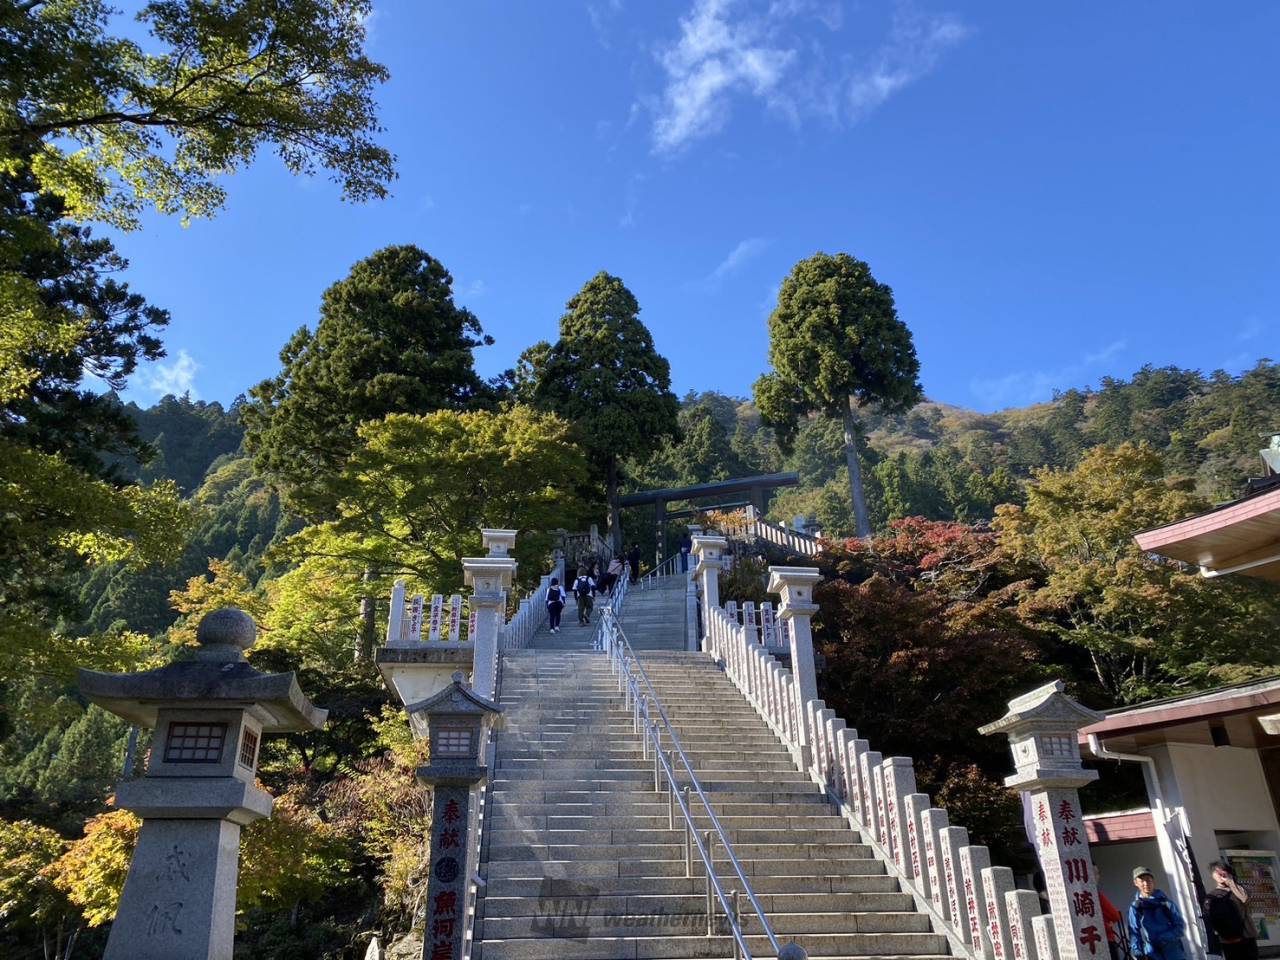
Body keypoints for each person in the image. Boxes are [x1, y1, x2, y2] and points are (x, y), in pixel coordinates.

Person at [1204, 861, 1259, 960]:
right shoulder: (1211, 896)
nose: (1221, 874)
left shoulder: (1238, 889)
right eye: (1217, 872)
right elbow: (1209, 918)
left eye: (1223, 871)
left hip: (1246, 936)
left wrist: (1230, 881)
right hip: (1228, 940)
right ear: (1213, 875)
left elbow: (1245, 898)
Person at [1129, 867, 1186, 960]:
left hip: (1174, 952)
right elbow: (1134, 931)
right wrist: (1137, 953)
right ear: (1136, 883)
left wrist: (1163, 938)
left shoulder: (1167, 903)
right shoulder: (1136, 907)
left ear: (1153, 881)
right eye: (1142, 881)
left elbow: (1180, 927)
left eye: (1148, 880)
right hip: (1152, 954)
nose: (1146, 883)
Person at [1093, 863, 1125, 960]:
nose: (1097, 877)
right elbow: (1115, 916)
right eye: (1094, 873)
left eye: (1097, 873)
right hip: (1106, 940)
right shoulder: (1097, 896)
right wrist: (1107, 924)